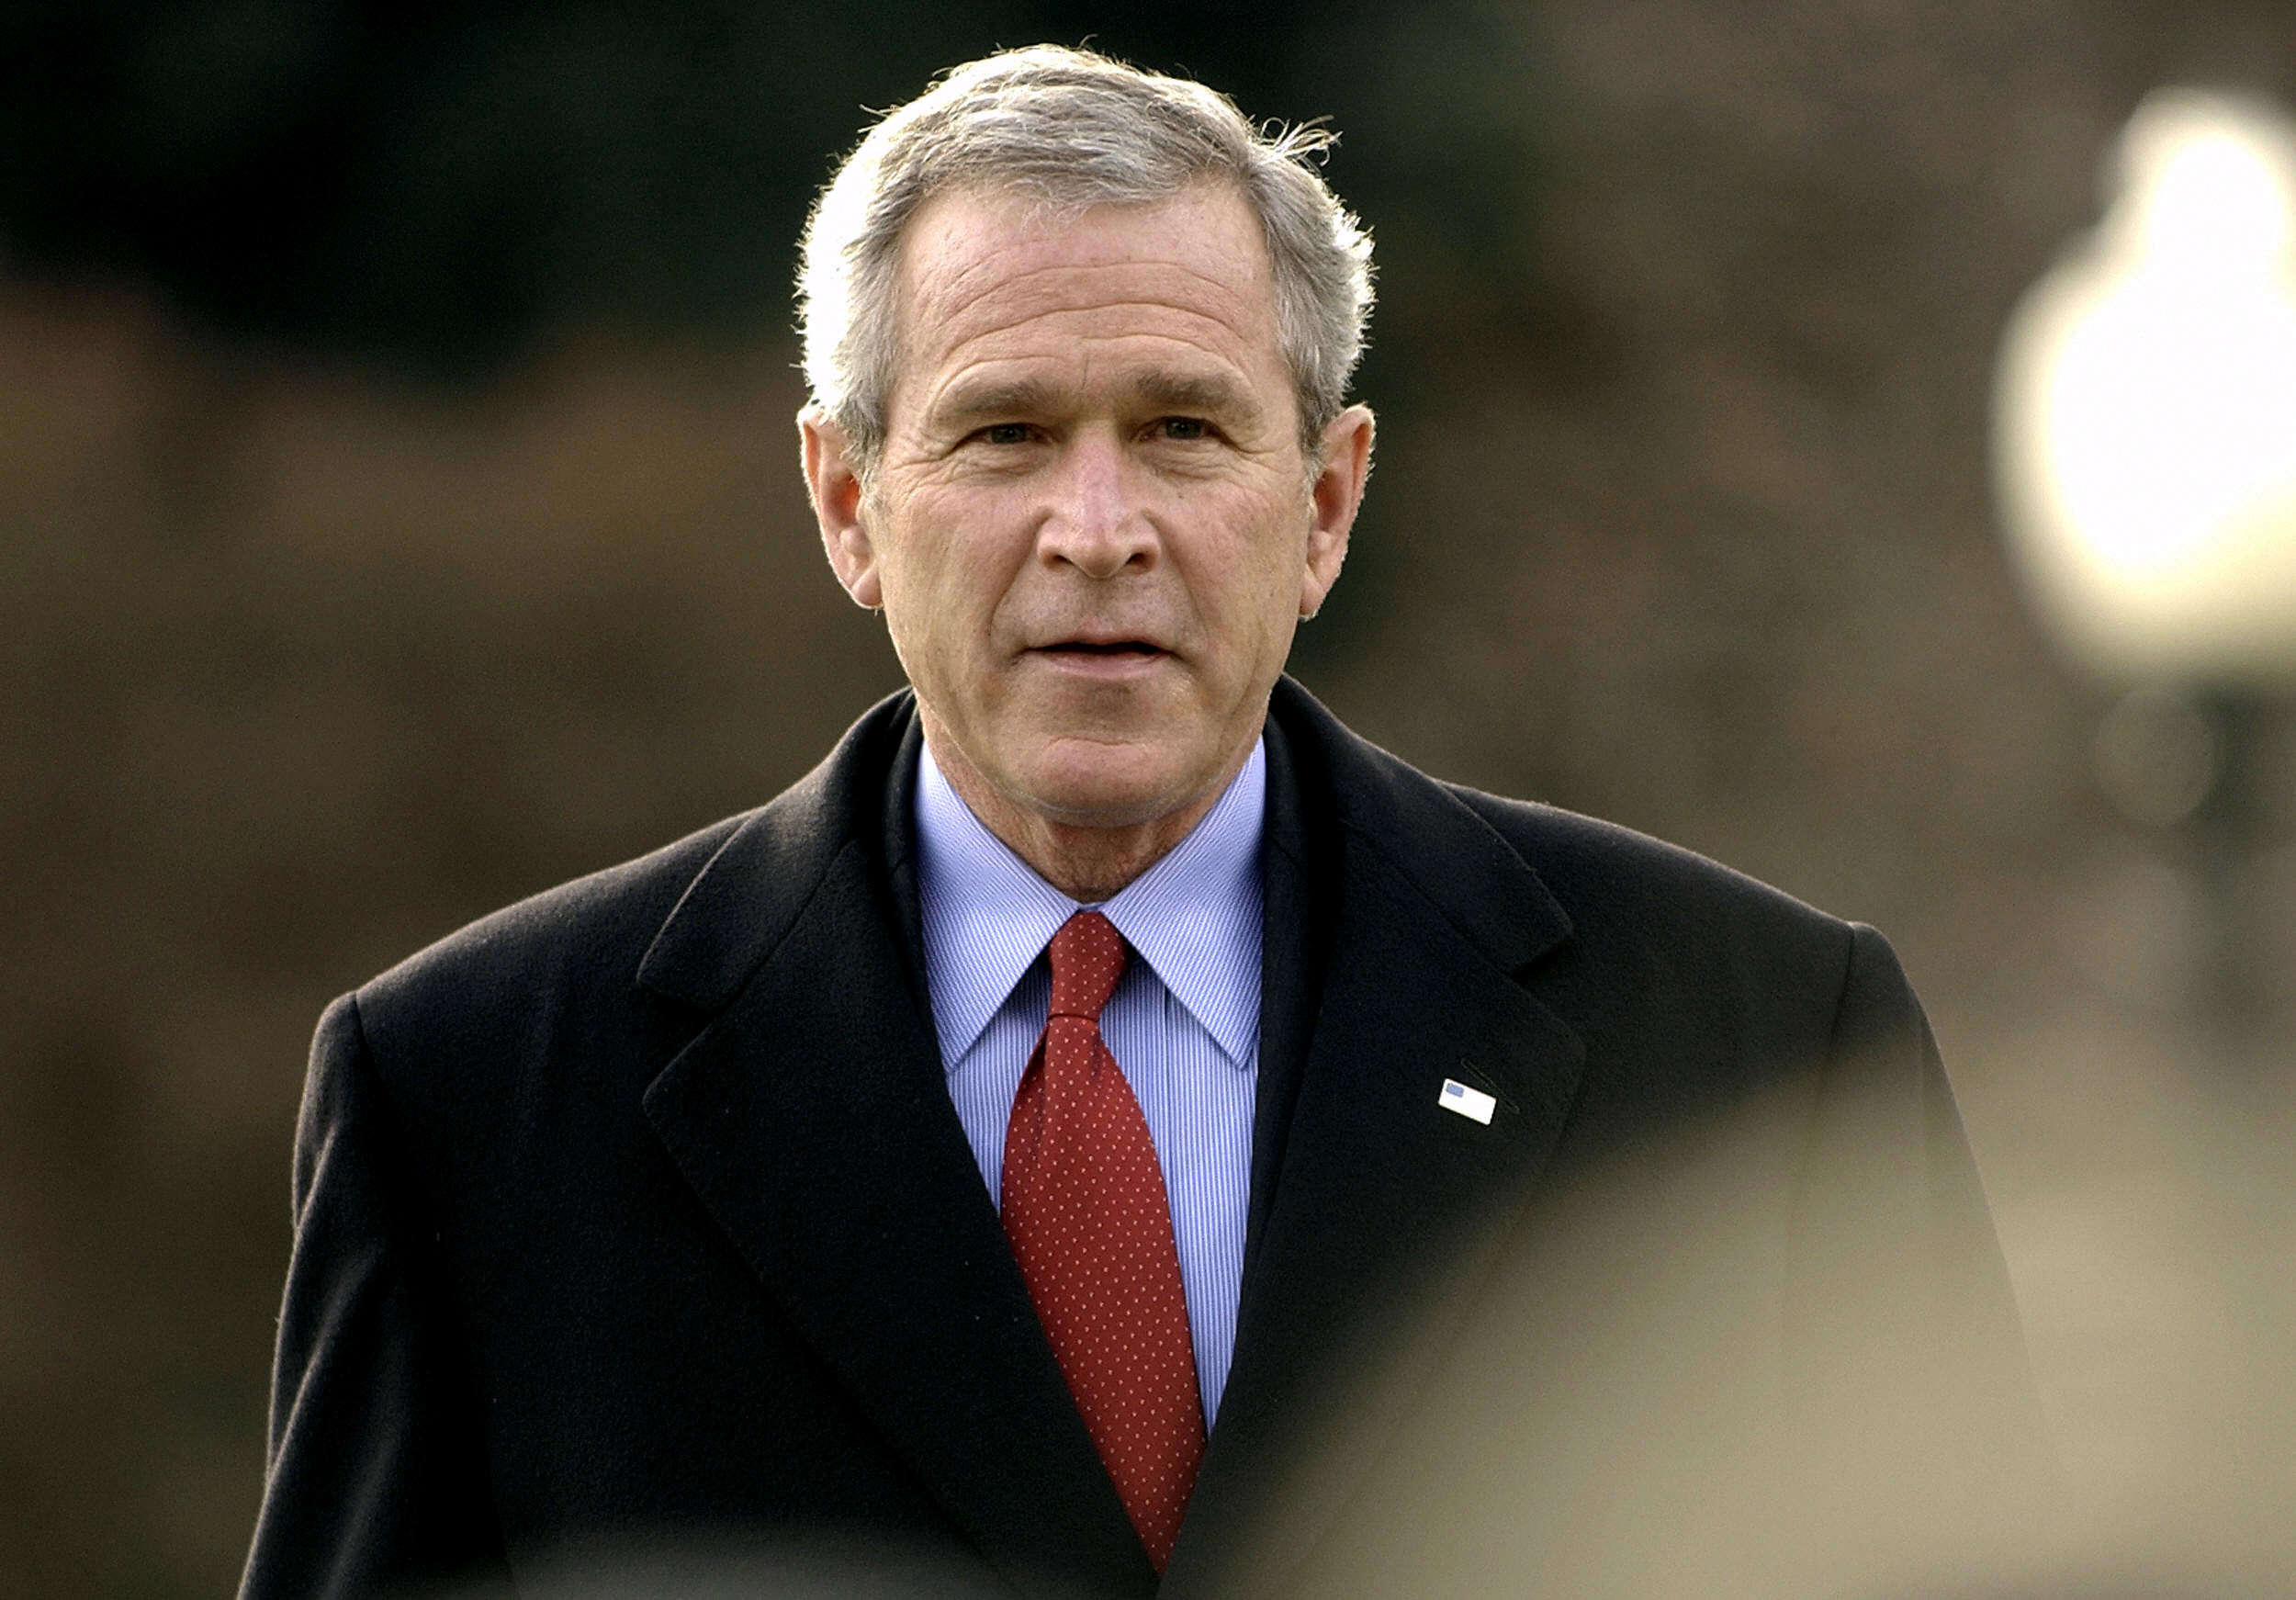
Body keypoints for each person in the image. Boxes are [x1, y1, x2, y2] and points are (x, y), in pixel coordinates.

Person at [238, 45, 2039, 1600]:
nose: (1096, 527)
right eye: (1006, 433)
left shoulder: (1752, 1051)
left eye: (1181, 429)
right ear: (848, 500)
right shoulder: (473, 1103)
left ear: (1323, 502)